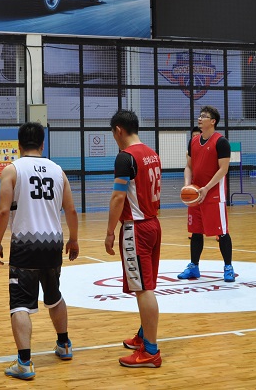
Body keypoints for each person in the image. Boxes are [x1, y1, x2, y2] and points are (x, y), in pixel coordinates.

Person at [0, 122, 80, 381]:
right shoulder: (58, 170)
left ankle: (24, 362)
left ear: (19, 145)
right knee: (54, 296)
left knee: (20, 304)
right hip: (53, 243)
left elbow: (3, 211)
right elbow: (71, 210)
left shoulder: (12, 170)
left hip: (25, 245)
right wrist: (74, 240)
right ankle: (64, 344)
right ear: (43, 144)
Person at [105, 109, 163, 368]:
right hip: (153, 224)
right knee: (146, 285)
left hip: (136, 228)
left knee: (143, 289)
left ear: (118, 130)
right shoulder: (152, 153)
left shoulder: (125, 157)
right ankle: (143, 334)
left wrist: (110, 232)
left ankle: (150, 350)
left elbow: (118, 197)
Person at [180, 105, 235, 282]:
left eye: (204, 116)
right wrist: (187, 186)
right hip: (196, 194)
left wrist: (206, 188)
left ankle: (228, 267)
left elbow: (223, 169)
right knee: (196, 232)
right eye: (200, 115)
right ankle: (194, 267)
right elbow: (188, 166)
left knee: (222, 232)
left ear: (213, 121)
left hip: (214, 194)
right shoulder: (193, 142)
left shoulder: (221, 142)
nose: (200, 118)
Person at [187, 126, 201, 240]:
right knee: (193, 207)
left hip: (209, 185)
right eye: (193, 136)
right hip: (195, 183)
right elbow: (188, 166)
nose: (195, 137)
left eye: (197, 135)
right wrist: (187, 185)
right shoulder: (190, 148)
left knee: (211, 211)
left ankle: (218, 232)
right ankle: (193, 231)